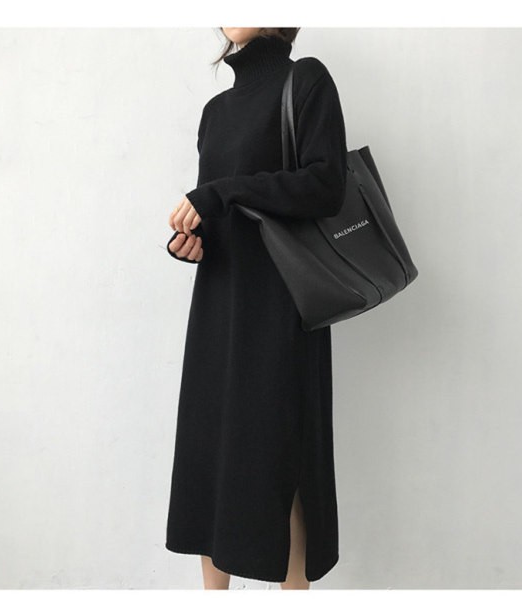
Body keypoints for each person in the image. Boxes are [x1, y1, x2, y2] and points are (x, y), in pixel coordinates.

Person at [165, 27, 348, 590]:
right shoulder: (215, 112)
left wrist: (222, 193)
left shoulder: (306, 80)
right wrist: (191, 243)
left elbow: (326, 185)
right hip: (218, 303)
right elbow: (218, 213)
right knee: (211, 456)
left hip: (280, 306)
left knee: (277, 460)